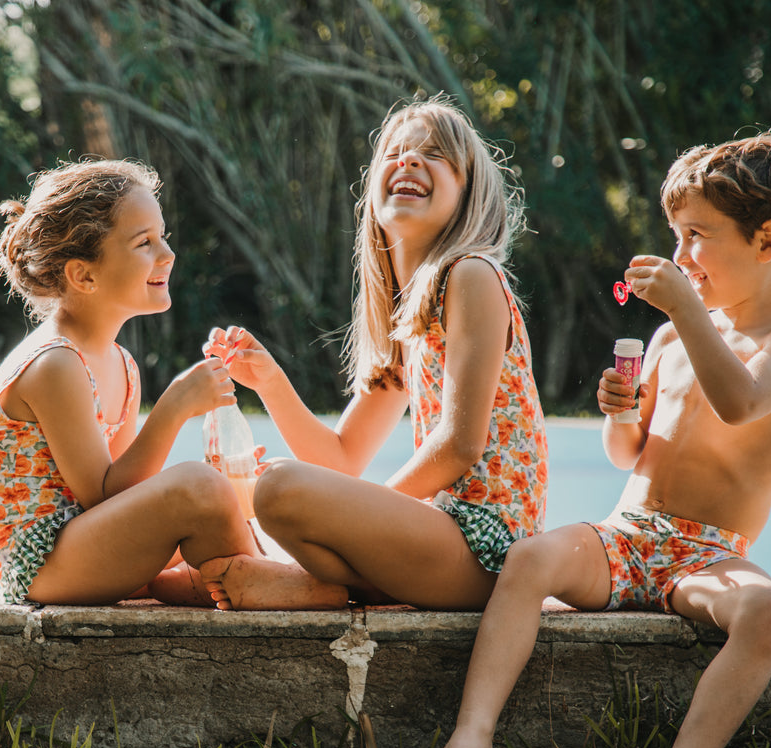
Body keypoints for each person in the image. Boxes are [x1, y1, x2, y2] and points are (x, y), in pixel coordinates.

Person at [418, 130, 771, 748]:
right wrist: (619, 414)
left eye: (696, 236)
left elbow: (738, 403)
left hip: (707, 552)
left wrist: (684, 312)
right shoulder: (672, 341)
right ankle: (473, 732)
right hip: (630, 533)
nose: (680, 256)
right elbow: (629, 453)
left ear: (767, 240)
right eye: (675, 235)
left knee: (767, 608)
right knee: (530, 557)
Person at [199, 95, 547, 611]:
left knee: (278, 488)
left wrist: (359, 515)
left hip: (486, 553)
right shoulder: (413, 316)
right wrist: (271, 381)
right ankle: (328, 588)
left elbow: (459, 447)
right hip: (442, 547)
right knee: (265, 501)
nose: (409, 160)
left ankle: (308, 582)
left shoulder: (471, 275)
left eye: (433, 153)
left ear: (468, 191)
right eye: (396, 153)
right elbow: (342, 458)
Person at [0, 159, 260, 605]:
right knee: (199, 488)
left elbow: (127, 489)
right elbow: (103, 497)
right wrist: (173, 409)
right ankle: (269, 582)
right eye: (144, 242)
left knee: (226, 494)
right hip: (43, 565)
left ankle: (252, 578)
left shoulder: (122, 365)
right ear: (83, 275)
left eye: (163, 237)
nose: (167, 254)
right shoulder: (56, 364)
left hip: (89, 548)